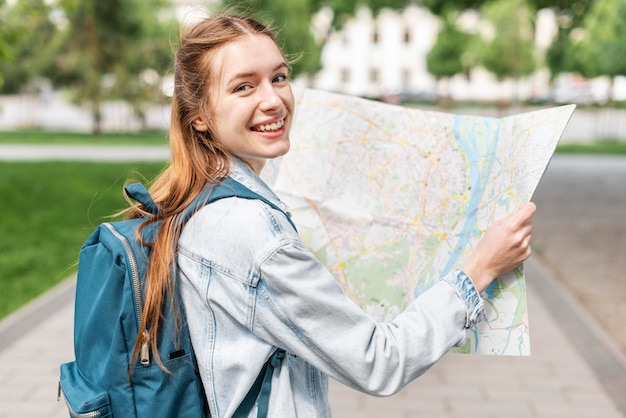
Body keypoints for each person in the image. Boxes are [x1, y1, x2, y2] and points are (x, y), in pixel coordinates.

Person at [125, 12, 536, 417]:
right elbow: (379, 362)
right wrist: (479, 270)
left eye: (279, 77)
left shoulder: (192, 199)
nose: (273, 100)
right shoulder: (252, 232)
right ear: (198, 116)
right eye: (243, 87)